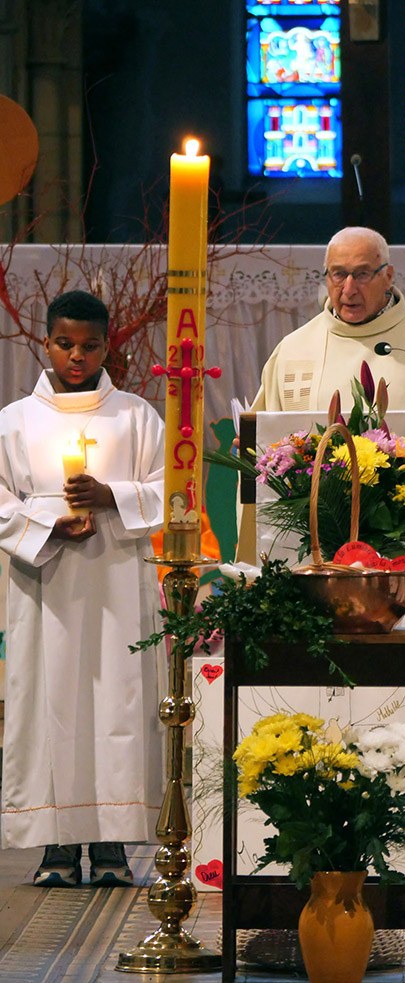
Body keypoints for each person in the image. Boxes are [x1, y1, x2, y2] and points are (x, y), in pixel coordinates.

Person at [0, 290, 166, 887]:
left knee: (117, 701)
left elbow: (172, 488)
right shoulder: (15, 420)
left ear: (107, 347)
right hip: (45, 579)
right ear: (46, 343)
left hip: (116, 575)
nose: (77, 356)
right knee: (49, 704)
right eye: (65, 344)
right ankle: (57, 848)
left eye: (90, 345)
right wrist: (48, 523)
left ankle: (112, 843)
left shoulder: (136, 416)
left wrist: (111, 496)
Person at [245, 226, 405, 574]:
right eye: (338, 274)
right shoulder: (293, 351)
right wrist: (255, 451)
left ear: (388, 276)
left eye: (362, 274)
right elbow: (265, 447)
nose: (349, 288)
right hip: (315, 546)